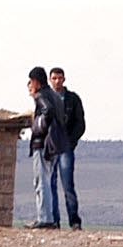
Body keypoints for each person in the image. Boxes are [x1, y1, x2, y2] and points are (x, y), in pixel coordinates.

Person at [44, 64, 86, 228]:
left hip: (65, 147)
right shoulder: (45, 98)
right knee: (50, 184)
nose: (57, 81)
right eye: (54, 78)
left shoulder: (73, 99)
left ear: (64, 79)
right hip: (50, 147)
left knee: (68, 185)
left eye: (60, 78)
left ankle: (74, 221)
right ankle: (54, 221)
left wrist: (71, 142)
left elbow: (80, 123)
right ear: (50, 79)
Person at [23, 67, 61, 228]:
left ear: (36, 82)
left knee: (41, 181)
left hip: (43, 144)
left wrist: (37, 126)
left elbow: (48, 112)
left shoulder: (42, 96)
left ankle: (44, 218)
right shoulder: (54, 96)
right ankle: (48, 217)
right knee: (46, 179)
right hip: (56, 144)